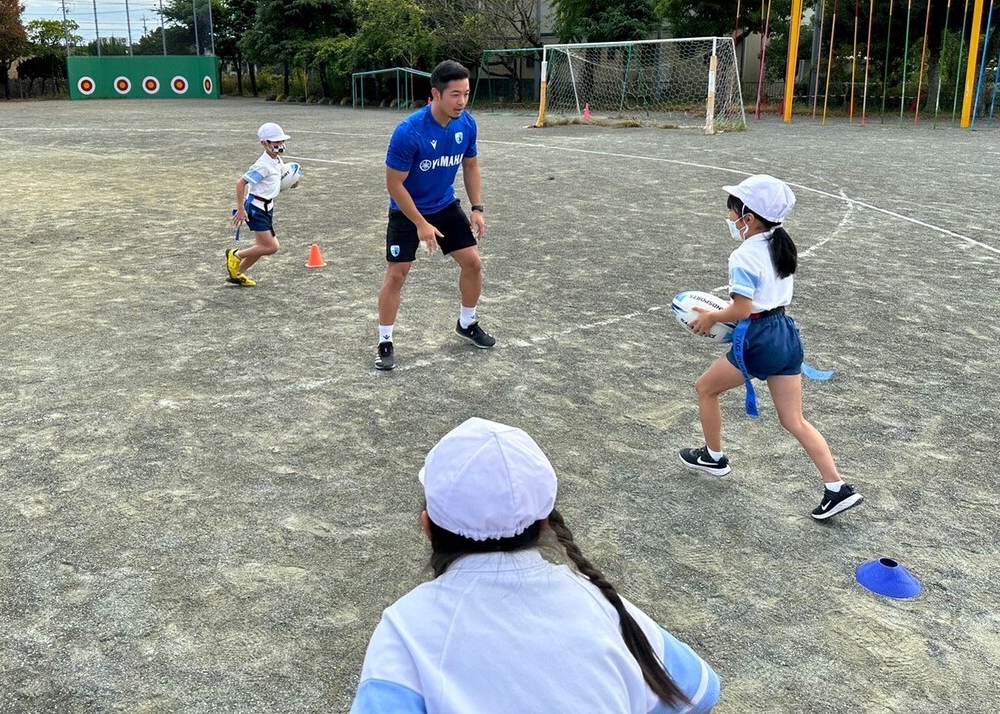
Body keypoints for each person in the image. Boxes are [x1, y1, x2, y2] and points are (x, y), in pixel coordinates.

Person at [351, 417, 721, 713]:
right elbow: (700, 690)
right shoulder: (601, 604)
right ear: (546, 522)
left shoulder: (406, 628)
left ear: (427, 527)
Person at [679, 174, 863, 521]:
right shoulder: (782, 245)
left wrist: (710, 318)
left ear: (748, 219)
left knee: (705, 388)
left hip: (761, 339)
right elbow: (772, 302)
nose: (731, 220)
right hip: (785, 333)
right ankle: (837, 487)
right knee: (794, 419)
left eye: (733, 213)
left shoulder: (744, 255)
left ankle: (714, 457)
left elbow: (742, 309)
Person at [375, 60, 492, 371]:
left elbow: (471, 165)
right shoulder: (409, 132)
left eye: (466, 94)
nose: (462, 102)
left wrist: (477, 208)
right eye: (455, 95)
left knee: (473, 263)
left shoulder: (466, 124)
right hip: (407, 210)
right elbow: (394, 184)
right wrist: (420, 224)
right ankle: (385, 341)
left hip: (444, 205)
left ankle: (467, 323)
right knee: (397, 275)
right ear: (435, 95)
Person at [226, 122, 291, 288]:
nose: (280, 145)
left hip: (267, 208)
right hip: (256, 209)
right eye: (275, 142)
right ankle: (236, 255)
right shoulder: (262, 165)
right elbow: (241, 183)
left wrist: (292, 182)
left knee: (262, 247)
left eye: (281, 141)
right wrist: (241, 209)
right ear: (264, 143)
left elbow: (279, 180)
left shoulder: (277, 160)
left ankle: (237, 273)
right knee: (271, 247)